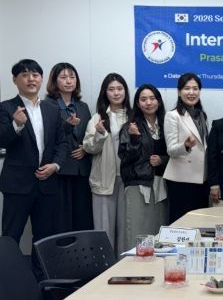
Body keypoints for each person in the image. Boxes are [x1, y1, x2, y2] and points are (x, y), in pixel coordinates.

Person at [0, 59, 67, 271]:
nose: (31, 79)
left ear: (41, 79)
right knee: (11, 236)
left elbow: (62, 143)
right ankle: (8, 279)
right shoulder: (4, 108)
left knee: (44, 237)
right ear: (15, 80)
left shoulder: (52, 109)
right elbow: (1, 140)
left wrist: (55, 165)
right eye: (25, 75)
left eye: (35, 75)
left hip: (47, 183)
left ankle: (41, 280)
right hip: (17, 185)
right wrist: (16, 124)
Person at [83, 73, 132, 255]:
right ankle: (105, 266)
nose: (116, 93)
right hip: (104, 180)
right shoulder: (98, 118)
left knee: (126, 229)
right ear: (105, 92)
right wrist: (100, 134)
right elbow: (89, 148)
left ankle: (124, 266)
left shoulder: (134, 116)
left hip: (128, 180)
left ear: (125, 91)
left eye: (119, 88)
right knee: (104, 229)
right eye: (111, 89)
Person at [44, 62, 93, 232]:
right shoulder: (46, 105)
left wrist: (86, 148)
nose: (69, 81)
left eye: (72, 77)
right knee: (61, 219)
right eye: (63, 77)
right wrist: (68, 125)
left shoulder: (83, 106)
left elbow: (88, 134)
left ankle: (84, 249)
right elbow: (48, 137)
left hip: (82, 169)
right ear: (54, 81)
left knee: (83, 217)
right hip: (61, 169)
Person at [119, 84, 169, 250]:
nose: (148, 103)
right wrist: (134, 138)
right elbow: (125, 157)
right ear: (137, 104)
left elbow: (174, 154)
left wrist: (162, 160)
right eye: (143, 99)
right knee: (137, 231)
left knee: (159, 232)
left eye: (152, 98)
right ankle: (132, 265)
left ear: (158, 101)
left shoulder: (166, 125)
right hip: (138, 185)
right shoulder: (130, 127)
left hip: (161, 185)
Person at [163, 73, 209, 222]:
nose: (191, 92)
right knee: (181, 223)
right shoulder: (172, 115)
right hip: (181, 180)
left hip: (202, 179)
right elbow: (171, 150)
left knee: (200, 224)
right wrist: (185, 146)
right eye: (187, 88)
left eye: (195, 88)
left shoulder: (202, 115)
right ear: (179, 92)